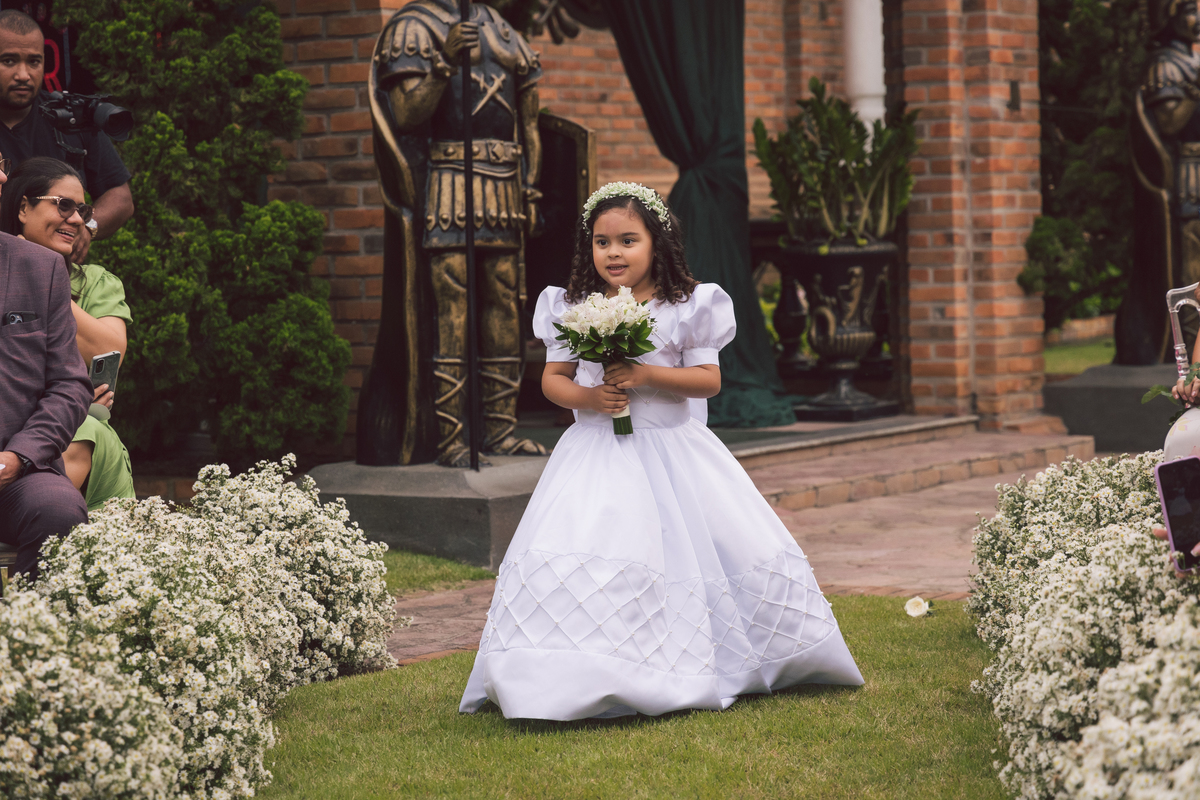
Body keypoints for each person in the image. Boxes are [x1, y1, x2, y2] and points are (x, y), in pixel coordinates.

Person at [458, 183, 863, 721]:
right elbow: (553, 380)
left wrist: (646, 374)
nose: (614, 253)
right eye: (602, 242)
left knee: (689, 549)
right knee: (591, 546)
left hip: (673, 451)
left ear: (658, 242)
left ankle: (715, 658)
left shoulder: (688, 305)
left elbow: (708, 380)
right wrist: (589, 397)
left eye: (628, 240)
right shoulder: (573, 305)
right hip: (595, 452)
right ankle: (565, 672)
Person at [0, 157, 134, 510]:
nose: (77, 219)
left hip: (70, 426)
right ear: (23, 208)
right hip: (16, 424)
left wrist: (43, 280)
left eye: (81, 209)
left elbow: (110, 354)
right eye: (63, 205)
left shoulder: (98, 282)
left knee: (85, 433)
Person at [0, 150, 92, 580]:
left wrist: (19, 456)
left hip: (15, 471)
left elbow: (70, 386)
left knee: (58, 512)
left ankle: (32, 642)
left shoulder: (41, 268)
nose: (1, 175)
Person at [0, 10, 133, 266]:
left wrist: (88, 224)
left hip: (62, 282)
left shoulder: (71, 117)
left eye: (34, 62)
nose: (24, 74)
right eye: (8, 61)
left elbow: (121, 197)